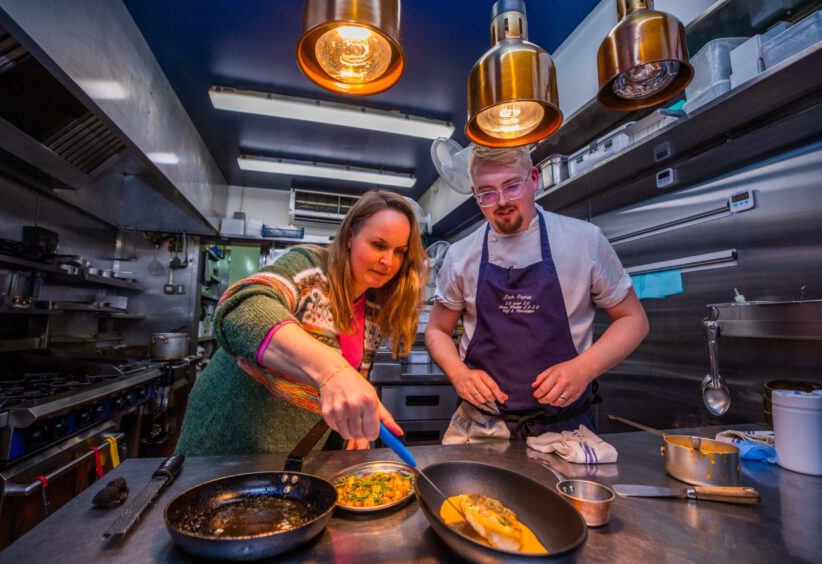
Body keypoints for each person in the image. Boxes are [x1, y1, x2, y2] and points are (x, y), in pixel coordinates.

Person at [425, 145, 649, 443]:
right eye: (487, 193)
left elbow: (633, 319)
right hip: (483, 424)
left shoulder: (584, 241)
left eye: (512, 186)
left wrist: (584, 368)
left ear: (533, 179)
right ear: (475, 195)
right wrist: (458, 374)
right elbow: (438, 329)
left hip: (565, 425)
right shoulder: (460, 255)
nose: (502, 201)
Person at [177, 191, 427, 455]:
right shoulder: (309, 266)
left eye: (399, 252)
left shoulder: (375, 307)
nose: (389, 261)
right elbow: (243, 306)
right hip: (225, 446)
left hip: (292, 458)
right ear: (351, 236)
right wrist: (333, 371)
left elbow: (338, 391)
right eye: (378, 245)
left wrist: (352, 431)